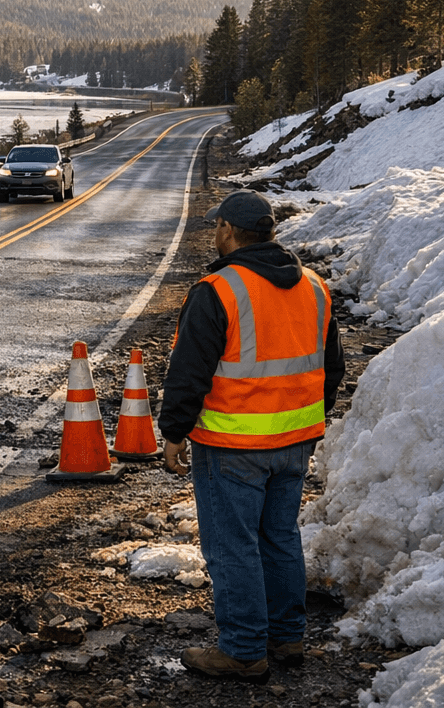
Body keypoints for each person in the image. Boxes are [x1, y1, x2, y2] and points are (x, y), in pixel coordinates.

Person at [159, 189, 345, 682]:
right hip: (293, 441)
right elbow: (333, 369)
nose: (214, 233)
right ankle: (287, 639)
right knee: (279, 538)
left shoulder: (218, 290)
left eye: (216, 226)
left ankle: (243, 650)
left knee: (233, 545)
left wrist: (174, 431)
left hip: (232, 444)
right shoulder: (314, 286)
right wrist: (302, 421)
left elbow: (189, 372)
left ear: (227, 230)